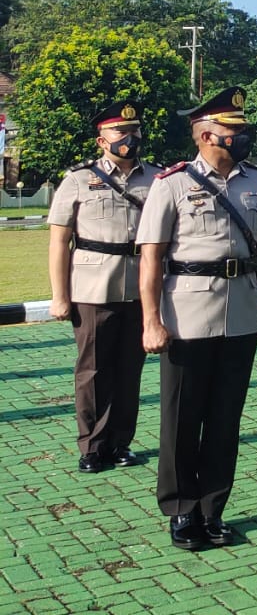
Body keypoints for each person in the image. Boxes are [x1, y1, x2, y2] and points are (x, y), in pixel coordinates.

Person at [136, 87, 257, 550]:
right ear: (204, 135)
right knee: (182, 418)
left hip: (241, 311)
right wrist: (150, 320)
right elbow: (151, 258)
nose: (240, 138)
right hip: (187, 315)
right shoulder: (171, 184)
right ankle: (181, 510)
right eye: (230, 131)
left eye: (242, 130)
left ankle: (213, 508)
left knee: (225, 419)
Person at [48, 99, 158, 473]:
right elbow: (59, 241)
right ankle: (92, 445)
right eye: (120, 131)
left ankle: (120, 442)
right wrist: (60, 296)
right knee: (93, 371)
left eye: (134, 130)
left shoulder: (157, 179)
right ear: (101, 140)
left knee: (130, 371)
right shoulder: (78, 179)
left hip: (140, 289)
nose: (130, 137)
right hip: (93, 287)